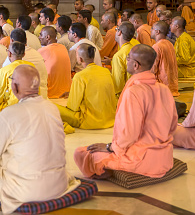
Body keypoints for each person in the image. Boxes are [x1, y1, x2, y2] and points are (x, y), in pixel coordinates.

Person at [0, 65, 79, 214]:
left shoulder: (10, 113)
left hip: (26, 192)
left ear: (14, 87)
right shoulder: (52, 108)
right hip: (58, 184)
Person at [74, 44, 178, 179]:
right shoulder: (164, 89)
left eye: (128, 58)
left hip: (141, 159)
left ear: (135, 65)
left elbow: (130, 134)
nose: (126, 61)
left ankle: (114, 169)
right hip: (165, 156)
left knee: (81, 153)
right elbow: (173, 125)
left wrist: (110, 147)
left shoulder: (134, 91)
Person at [57, 43, 116, 130]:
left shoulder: (80, 76)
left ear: (80, 59)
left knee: (51, 107)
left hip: (89, 121)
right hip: (110, 120)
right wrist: (71, 93)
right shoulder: (106, 71)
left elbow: (73, 107)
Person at [0, 42, 35, 119]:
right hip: (32, 106)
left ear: (9, 53)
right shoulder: (32, 66)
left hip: (13, 109)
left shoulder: (5, 70)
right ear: (24, 54)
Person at [1, 29, 48, 98]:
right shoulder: (37, 53)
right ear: (26, 39)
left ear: (12, 41)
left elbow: (2, 82)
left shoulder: (12, 57)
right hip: (43, 95)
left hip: (23, 97)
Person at [38, 26, 72, 98]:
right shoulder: (63, 48)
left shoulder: (43, 50)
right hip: (67, 92)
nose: (39, 37)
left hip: (51, 94)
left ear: (47, 37)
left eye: (41, 35)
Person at [151, 21, 179, 97]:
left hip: (161, 87)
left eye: (152, 28)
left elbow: (153, 69)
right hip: (172, 86)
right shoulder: (169, 43)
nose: (150, 30)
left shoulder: (157, 47)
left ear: (157, 32)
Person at [111, 22, 140, 96]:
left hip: (127, 94)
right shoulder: (135, 48)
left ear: (119, 32)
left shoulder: (119, 56)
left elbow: (118, 86)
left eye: (116, 29)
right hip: (138, 91)